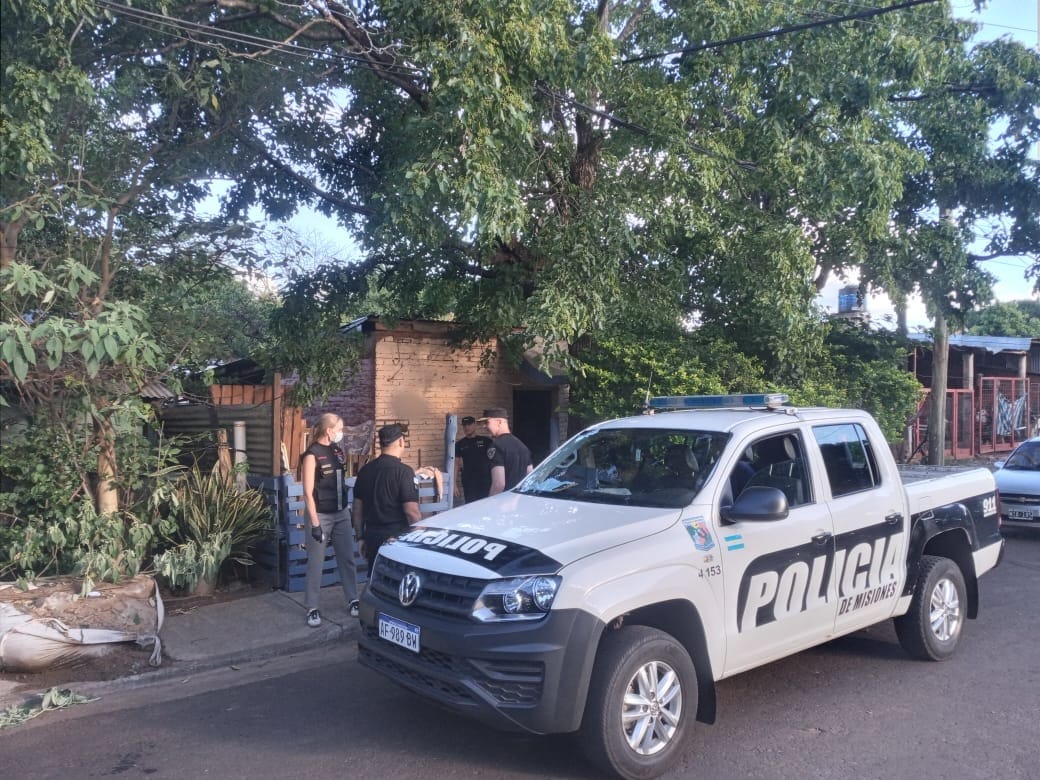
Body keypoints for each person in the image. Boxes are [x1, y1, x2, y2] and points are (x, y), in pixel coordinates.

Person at [300, 413, 361, 628]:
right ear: (329, 430)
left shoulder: (336, 451)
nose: (341, 433)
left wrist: (348, 510)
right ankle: (312, 607)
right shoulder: (311, 455)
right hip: (321, 515)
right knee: (316, 562)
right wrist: (315, 523)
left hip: (341, 513)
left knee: (347, 558)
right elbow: (307, 493)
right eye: (339, 429)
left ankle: (353, 599)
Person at [352, 424, 421, 575]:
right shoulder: (404, 472)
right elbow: (411, 511)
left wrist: (361, 537)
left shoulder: (365, 471)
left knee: (376, 578)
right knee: (397, 579)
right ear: (401, 441)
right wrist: (419, 535)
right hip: (396, 537)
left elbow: (357, 509)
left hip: (372, 536)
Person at [480, 407, 533, 495]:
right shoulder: (523, 447)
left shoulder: (496, 446)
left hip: (502, 500)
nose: (484, 426)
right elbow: (530, 478)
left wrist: (490, 501)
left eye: (487, 422)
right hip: (518, 499)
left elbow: (498, 484)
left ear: (499, 422)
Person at [454, 415, 492, 503]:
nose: (466, 427)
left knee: (485, 504)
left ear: (474, 424)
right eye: (464, 425)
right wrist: (454, 484)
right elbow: (456, 464)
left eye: (469, 424)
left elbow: (494, 460)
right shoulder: (460, 444)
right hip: (469, 481)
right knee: (470, 504)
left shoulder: (486, 441)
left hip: (485, 480)